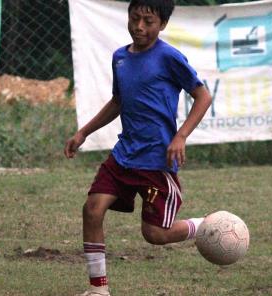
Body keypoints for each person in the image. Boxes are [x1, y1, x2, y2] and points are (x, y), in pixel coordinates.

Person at [65, 0, 212, 295]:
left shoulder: (169, 57)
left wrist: (180, 136)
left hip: (156, 161)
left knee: (155, 234)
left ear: (163, 24)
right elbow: (118, 102)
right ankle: (98, 290)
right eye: (135, 19)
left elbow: (203, 96)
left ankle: (205, 226)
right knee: (92, 210)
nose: (139, 27)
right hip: (124, 156)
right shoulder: (120, 57)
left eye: (148, 21)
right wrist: (83, 132)